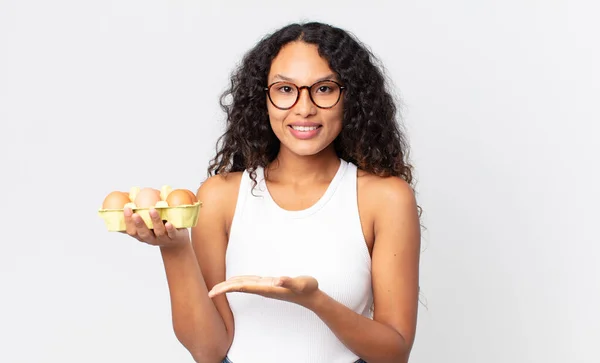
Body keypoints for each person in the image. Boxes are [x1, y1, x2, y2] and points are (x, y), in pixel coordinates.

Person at [121, 21, 421, 363]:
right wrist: (174, 249)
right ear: (262, 98)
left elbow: (394, 353)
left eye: (323, 89)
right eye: (285, 89)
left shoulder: (385, 198)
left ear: (349, 97)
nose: (304, 108)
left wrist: (315, 301)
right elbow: (209, 350)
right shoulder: (220, 196)